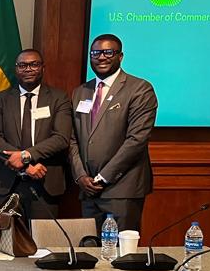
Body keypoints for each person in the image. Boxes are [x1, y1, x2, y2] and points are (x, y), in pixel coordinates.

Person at [68, 33, 158, 234]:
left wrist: (103, 177)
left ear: (120, 56)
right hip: (88, 189)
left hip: (122, 189)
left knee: (120, 250)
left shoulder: (140, 89)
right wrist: (80, 176)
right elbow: (72, 139)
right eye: (95, 53)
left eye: (108, 52)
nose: (101, 57)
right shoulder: (80, 91)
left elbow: (136, 140)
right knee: (89, 248)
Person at [0, 48, 73, 222]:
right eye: (22, 65)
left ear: (43, 68)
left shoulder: (59, 98)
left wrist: (26, 155)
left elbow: (61, 138)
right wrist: (25, 166)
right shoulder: (0, 99)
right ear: (16, 69)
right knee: (5, 237)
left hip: (45, 181)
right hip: (7, 183)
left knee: (44, 238)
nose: (28, 69)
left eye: (34, 64)